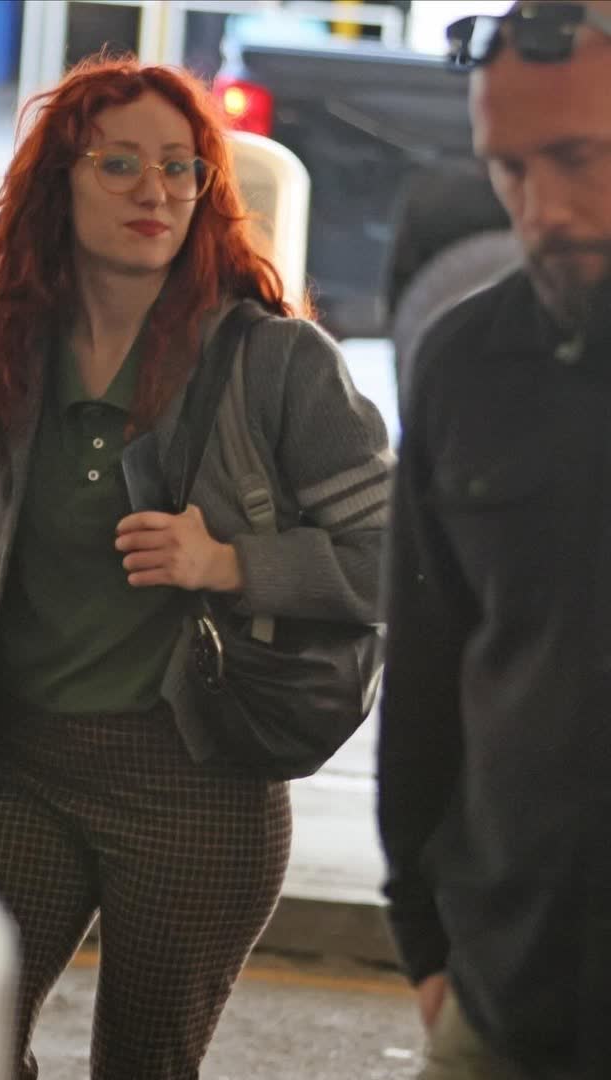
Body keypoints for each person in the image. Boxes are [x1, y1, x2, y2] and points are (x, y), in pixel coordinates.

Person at [0, 56, 389, 1079]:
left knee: (144, 1066)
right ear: (57, 184)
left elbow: (401, 559)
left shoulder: (276, 362)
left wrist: (232, 563)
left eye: (180, 167)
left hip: (199, 788)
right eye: (119, 164)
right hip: (29, 776)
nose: (155, 190)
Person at [377, 3, 611, 1077]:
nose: (544, 209)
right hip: (505, 991)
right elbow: (426, 668)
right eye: (509, 168)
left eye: (579, 158)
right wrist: (426, 945)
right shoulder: (463, 364)